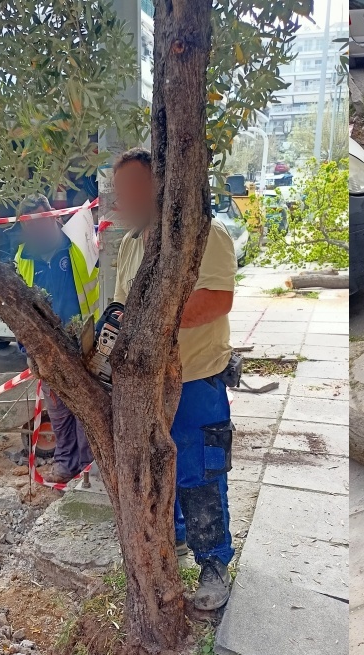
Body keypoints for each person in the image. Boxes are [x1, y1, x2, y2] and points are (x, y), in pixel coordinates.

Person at [111, 147, 239, 611]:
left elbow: (217, 300)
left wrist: (149, 322)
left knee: (201, 472)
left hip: (196, 381)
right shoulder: (130, 244)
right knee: (156, 469)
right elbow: (122, 309)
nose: (123, 198)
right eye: (119, 189)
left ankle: (213, 564)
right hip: (145, 385)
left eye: (133, 187)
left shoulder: (205, 235)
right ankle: (176, 541)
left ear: (158, 188)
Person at [14, 194, 102, 484]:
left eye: (42, 222)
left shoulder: (76, 247)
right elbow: (20, 307)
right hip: (48, 348)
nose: (38, 231)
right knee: (59, 409)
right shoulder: (23, 258)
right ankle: (66, 462)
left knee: (85, 407)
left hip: (82, 341)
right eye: (31, 227)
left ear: (54, 218)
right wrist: (28, 345)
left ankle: (87, 464)